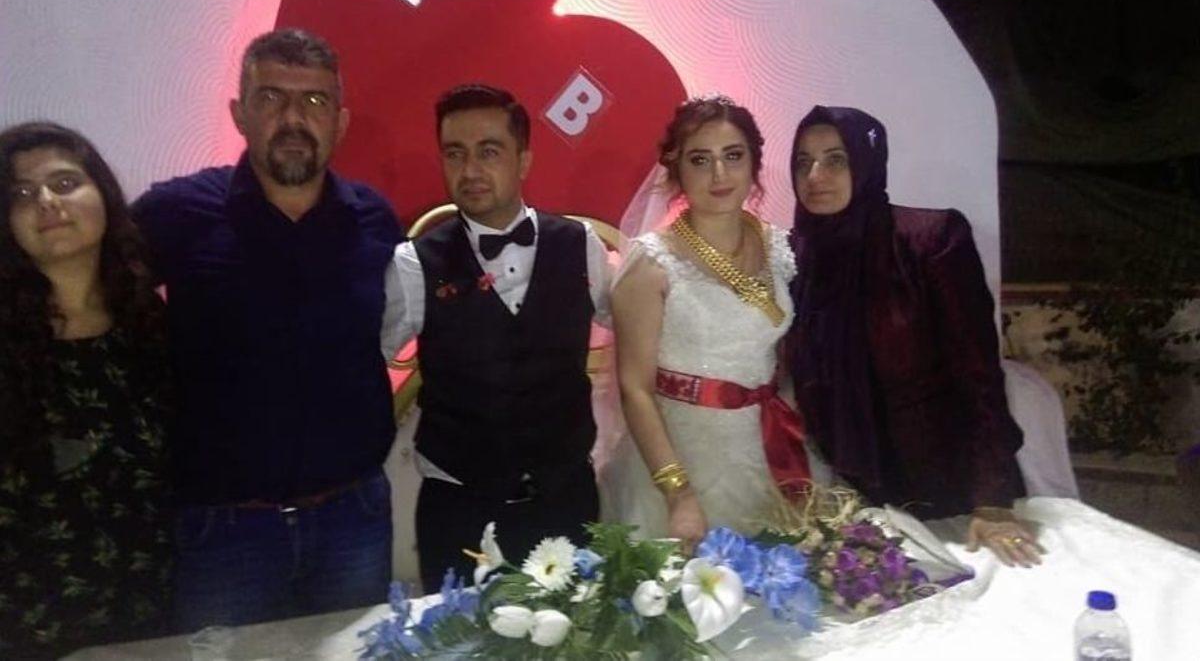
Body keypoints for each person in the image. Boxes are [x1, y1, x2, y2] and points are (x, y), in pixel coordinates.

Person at [131, 29, 403, 628]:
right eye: (272, 97)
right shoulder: (175, 214)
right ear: (239, 113)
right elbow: (95, 303)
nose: (293, 119)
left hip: (352, 520)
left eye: (315, 101)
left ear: (340, 121)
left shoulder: (375, 220)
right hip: (225, 532)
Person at [786, 105, 1045, 567]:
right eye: (803, 162)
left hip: (944, 490)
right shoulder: (795, 257)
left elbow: (978, 374)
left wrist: (991, 501)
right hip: (846, 497)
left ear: (868, 163)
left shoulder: (929, 240)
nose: (815, 176)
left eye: (836, 159)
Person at [381, 84, 612, 592]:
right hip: (458, 511)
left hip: (567, 503)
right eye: (454, 154)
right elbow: (364, 366)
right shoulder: (412, 264)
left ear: (524, 160)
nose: (470, 170)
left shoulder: (582, 246)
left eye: (489, 152)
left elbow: (638, 341)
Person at [600, 96, 816, 549]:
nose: (719, 174)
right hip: (682, 456)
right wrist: (677, 492)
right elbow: (635, 388)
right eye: (700, 160)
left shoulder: (781, 247)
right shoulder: (651, 263)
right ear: (676, 171)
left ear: (754, 163)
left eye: (733, 156)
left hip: (769, 445)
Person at [0, 122, 172, 657]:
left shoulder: (149, 323)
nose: (46, 202)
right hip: (30, 627)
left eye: (65, 183)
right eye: (22, 193)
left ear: (104, 196)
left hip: (152, 615)